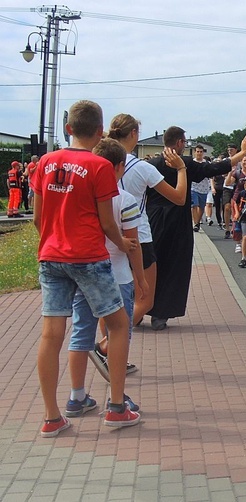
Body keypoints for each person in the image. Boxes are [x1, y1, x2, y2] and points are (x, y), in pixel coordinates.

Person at [30, 100, 139, 437]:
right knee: (118, 325)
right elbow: (108, 223)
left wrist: (52, 240)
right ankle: (117, 407)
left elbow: (37, 217)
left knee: (52, 334)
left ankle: (52, 416)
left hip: (51, 256)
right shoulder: (99, 166)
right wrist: (122, 245)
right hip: (89, 256)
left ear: (68, 129)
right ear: (99, 130)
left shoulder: (45, 163)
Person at [66, 138, 149, 418]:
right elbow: (132, 244)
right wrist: (141, 278)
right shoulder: (124, 199)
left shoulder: (82, 195)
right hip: (118, 274)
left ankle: (76, 396)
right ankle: (117, 400)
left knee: (81, 333)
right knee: (119, 335)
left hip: (82, 269)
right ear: (119, 167)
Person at [146, 128, 246, 330]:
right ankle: (161, 314)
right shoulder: (183, 164)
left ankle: (140, 307)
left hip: (152, 221)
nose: (185, 145)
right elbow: (213, 168)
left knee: (149, 265)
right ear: (178, 143)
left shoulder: (151, 164)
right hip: (176, 221)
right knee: (173, 266)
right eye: (184, 142)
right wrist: (242, 153)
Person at [105, 113, 189, 330]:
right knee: (144, 297)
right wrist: (181, 168)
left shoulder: (101, 162)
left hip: (107, 233)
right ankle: (110, 342)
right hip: (138, 236)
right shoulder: (142, 167)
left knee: (110, 299)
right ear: (133, 134)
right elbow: (179, 198)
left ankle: (109, 344)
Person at [190, 144, 211, 231]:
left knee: (201, 207)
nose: (199, 153)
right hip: (193, 187)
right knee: (194, 205)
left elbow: (211, 175)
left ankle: (198, 221)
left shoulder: (206, 163)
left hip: (204, 188)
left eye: (201, 152)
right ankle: (195, 223)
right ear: (195, 152)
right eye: (197, 152)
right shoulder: (191, 163)